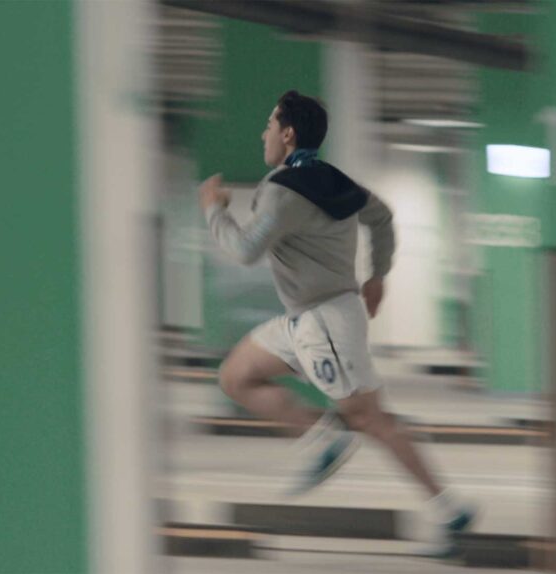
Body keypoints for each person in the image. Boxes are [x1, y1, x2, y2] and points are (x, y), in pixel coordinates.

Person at [198, 90, 475, 548]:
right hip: (307, 320)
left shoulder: (281, 191)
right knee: (236, 375)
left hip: (324, 324)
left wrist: (213, 208)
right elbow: (381, 216)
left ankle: (450, 508)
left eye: (269, 124)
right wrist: (378, 275)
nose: (263, 133)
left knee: (370, 418)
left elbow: (245, 249)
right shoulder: (333, 179)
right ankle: (322, 436)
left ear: (288, 133)